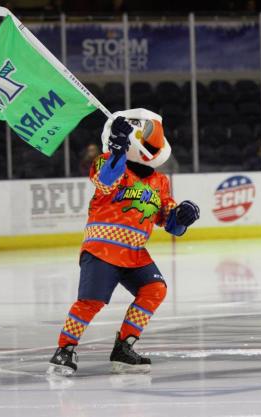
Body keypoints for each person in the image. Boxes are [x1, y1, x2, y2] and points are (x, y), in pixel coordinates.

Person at [48, 109, 200, 376]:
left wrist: (183, 216)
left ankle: (124, 347)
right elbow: (106, 182)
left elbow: (170, 222)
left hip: (135, 251)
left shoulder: (160, 181)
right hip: (103, 247)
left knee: (155, 289)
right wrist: (118, 151)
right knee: (90, 301)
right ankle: (64, 350)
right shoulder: (104, 161)